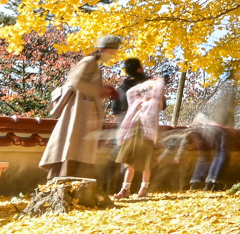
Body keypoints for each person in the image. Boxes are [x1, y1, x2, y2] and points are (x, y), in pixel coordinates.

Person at [40, 35, 121, 179]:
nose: (112, 55)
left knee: (79, 149)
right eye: (111, 51)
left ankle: (73, 187)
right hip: (78, 113)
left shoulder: (93, 64)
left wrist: (102, 91)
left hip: (84, 113)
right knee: (73, 148)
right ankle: (64, 184)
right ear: (103, 49)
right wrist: (100, 91)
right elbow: (76, 81)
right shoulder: (89, 61)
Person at [113, 76, 166, 199]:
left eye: (151, 90)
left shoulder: (154, 104)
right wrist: (146, 84)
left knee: (145, 165)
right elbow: (130, 92)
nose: (148, 92)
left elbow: (158, 92)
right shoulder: (137, 102)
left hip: (146, 137)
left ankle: (144, 189)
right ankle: (125, 190)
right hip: (132, 136)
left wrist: (158, 81)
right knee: (129, 164)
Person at [104, 58, 149, 193]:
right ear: (139, 69)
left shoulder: (122, 88)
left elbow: (115, 109)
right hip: (141, 127)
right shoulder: (147, 86)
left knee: (120, 158)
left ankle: (114, 189)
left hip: (122, 126)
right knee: (140, 160)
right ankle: (135, 188)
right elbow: (160, 105)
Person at [189, 76, 236, 191]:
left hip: (201, 126)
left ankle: (195, 182)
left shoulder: (217, 87)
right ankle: (213, 181)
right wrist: (230, 127)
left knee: (205, 154)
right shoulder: (230, 89)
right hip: (217, 126)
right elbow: (228, 110)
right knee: (222, 153)